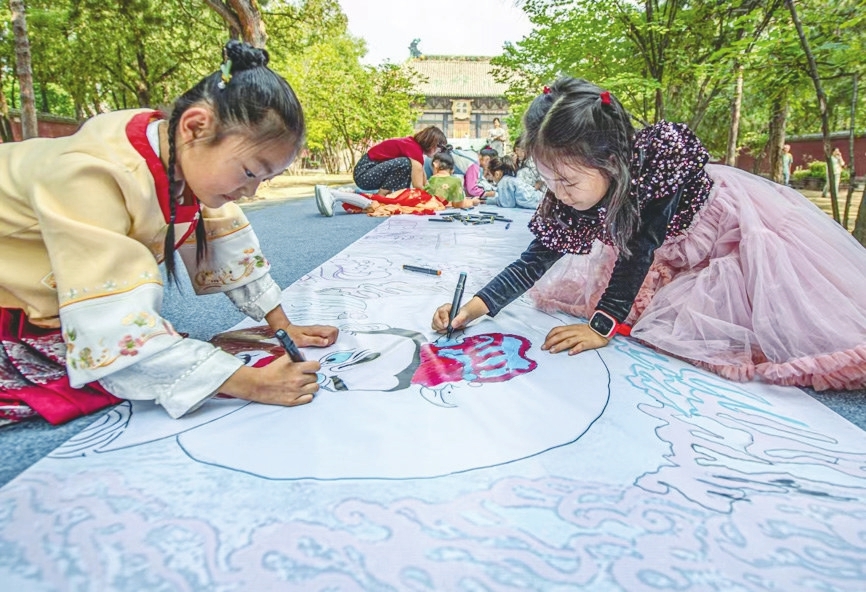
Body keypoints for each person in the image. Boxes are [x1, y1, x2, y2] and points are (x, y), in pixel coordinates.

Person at [431, 77, 866, 391]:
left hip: (725, 236)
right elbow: (534, 260)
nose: (559, 195)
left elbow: (639, 250)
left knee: (772, 321)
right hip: (667, 249)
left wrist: (602, 326)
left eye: (567, 182)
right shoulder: (571, 196)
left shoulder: (657, 165)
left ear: (611, 161)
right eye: (548, 183)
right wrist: (472, 308)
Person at [0, 40, 339, 425]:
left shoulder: (179, 149)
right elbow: (113, 333)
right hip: (13, 288)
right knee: (101, 362)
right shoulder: (87, 174)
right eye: (249, 172)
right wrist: (251, 383)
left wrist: (283, 325)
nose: (252, 192)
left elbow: (230, 242)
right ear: (195, 126)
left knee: (163, 353)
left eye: (266, 179)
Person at [353, 126, 447, 196]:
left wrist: (430, 189)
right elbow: (418, 185)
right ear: (432, 143)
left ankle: (396, 194)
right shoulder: (414, 150)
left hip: (367, 172)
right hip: (364, 174)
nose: (439, 152)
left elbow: (422, 176)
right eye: (440, 148)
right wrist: (433, 196)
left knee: (408, 166)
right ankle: (383, 194)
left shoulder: (413, 147)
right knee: (406, 163)